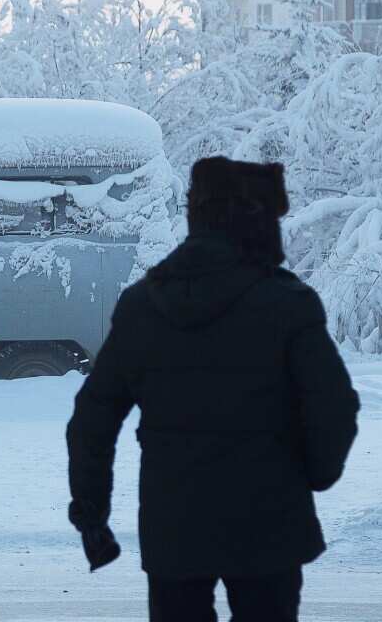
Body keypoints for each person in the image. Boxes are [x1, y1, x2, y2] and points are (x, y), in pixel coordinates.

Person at [65, 157, 360, 622]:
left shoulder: (143, 306)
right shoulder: (288, 304)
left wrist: (91, 512)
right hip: (270, 525)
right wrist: (314, 474)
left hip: (174, 526)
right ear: (255, 220)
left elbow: (92, 419)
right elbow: (335, 407)